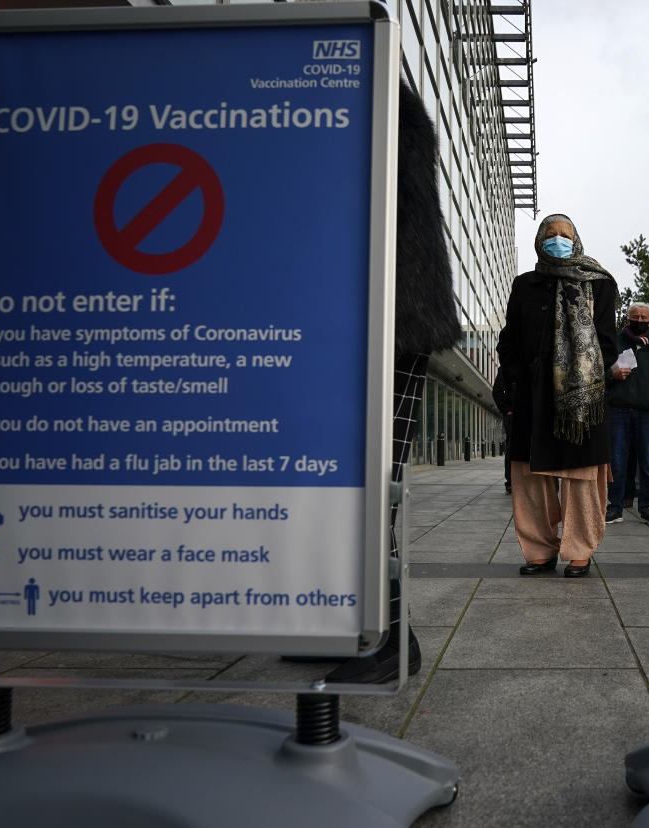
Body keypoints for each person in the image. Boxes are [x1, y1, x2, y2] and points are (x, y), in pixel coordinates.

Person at [285, 78, 461, 684]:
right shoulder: (376, 102)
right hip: (378, 321)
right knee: (339, 487)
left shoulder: (378, 103)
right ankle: (343, 621)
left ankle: (389, 640)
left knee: (365, 491)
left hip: (390, 324)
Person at [496, 214, 618, 578]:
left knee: (580, 477)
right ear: (539, 240)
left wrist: (586, 378)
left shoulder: (600, 283)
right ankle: (539, 551)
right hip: (532, 397)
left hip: (580, 401)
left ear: (576, 239)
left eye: (565, 235)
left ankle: (579, 550)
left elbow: (607, 342)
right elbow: (510, 340)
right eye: (551, 235)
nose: (558, 240)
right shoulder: (525, 284)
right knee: (531, 477)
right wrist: (516, 381)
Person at [605, 301, 649, 526]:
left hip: (647, 412)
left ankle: (647, 507)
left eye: (643, 318)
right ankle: (615, 507)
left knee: (647, 462)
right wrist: (612, 375)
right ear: (627, 319)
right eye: (635, 317)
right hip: (618, 410)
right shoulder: (614, 342)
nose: (639, 321)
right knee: (617, 462)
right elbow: (597, 371)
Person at [492, 367, 513, 494]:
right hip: (513, 415)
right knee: (512, 447)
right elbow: (497, 391)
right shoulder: (506, 367)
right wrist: (507, 410)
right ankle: (510, 481)